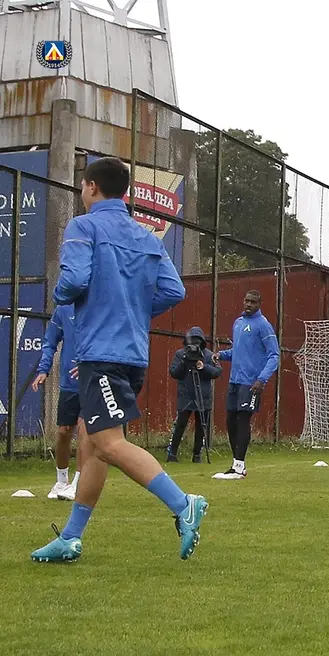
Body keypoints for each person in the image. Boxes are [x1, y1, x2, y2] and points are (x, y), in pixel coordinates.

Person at [31, 156, 204, 563]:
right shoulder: (146, 236)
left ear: (91, 187)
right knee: (92, 445)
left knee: (108, 443)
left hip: (101, 354)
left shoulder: (84, 226)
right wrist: (132, 311)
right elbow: (174, 290)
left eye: (82, 185)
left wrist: (63, 297)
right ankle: (71, 538)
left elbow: (73, 280)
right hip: (132, 355)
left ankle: (184, 504)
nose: (81, 191)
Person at [213, 290, 280, 480]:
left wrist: (262, 379)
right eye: (247, 300)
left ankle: (238, 467)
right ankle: (237, 465)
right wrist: (221, 355)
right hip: (234, 380)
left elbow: (274, 355)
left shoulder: (263, 325)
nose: (249, 304)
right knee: (230, 421)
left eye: (253, 302)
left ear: (259, 304)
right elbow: (238, 351)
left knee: (243, 419)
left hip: (251, 382)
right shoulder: (238, 323)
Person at [32, 304, 81, 500]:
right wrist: (43, 369)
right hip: (69, 384)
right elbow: (50, 341)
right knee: (64, 432)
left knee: (86, 432)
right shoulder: (64, 310)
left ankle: (78, 484)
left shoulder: (99, 303)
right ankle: (62, 481)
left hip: (94, 382)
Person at [166, 327, 221, 463]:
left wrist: (203, 367)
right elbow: (174, 373)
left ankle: (197, 455)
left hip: (203, 396)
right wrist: (184, 362)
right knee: (180, 425)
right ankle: (172, 453)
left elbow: (217, 372)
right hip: (185, 395)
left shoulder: (208, 355)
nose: (194, 346)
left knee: (201, 427)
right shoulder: (180, 354)